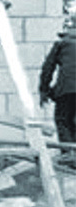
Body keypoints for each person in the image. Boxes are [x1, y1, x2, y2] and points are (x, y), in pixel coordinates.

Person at [39, 16, 76, 167]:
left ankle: (69, 154)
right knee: (72, 121)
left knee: (62, 119)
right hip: (66, 88)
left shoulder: (61, 45)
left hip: (66, 90)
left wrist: (44, 90)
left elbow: (48, 68)